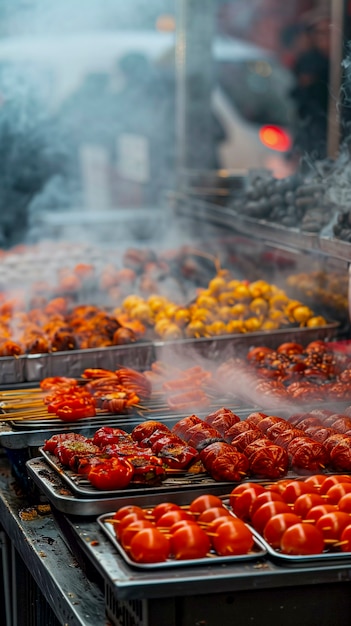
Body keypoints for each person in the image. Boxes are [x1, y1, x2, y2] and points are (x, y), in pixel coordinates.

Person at [289, 11, 331, 161]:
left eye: (328, 33)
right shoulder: (309, 61)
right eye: (319, 33)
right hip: (315, 128)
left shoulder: (343, 60)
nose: (324, 39)